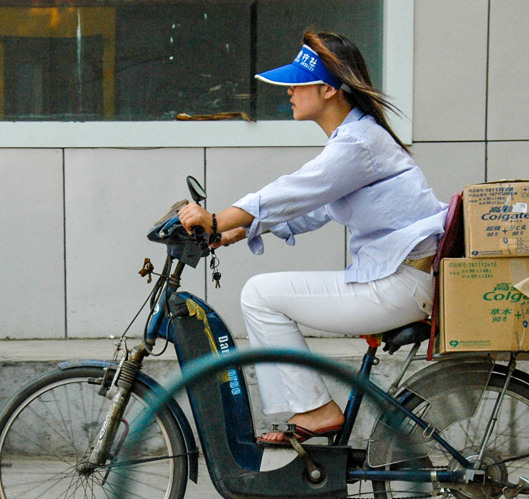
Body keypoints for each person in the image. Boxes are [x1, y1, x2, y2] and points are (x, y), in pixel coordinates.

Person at [179, 31, 447, 445]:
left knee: (260, 295)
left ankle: (316, 411)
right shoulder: (356, 138)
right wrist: (240, 230)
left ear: (327, 89)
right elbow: (316, 207)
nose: (289, 90)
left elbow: (295, 190)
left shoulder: (357, 143)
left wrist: (215, 219)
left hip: (399, 283)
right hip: (401, 278)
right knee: (264, 293)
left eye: (297, 82)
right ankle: (313, 408)